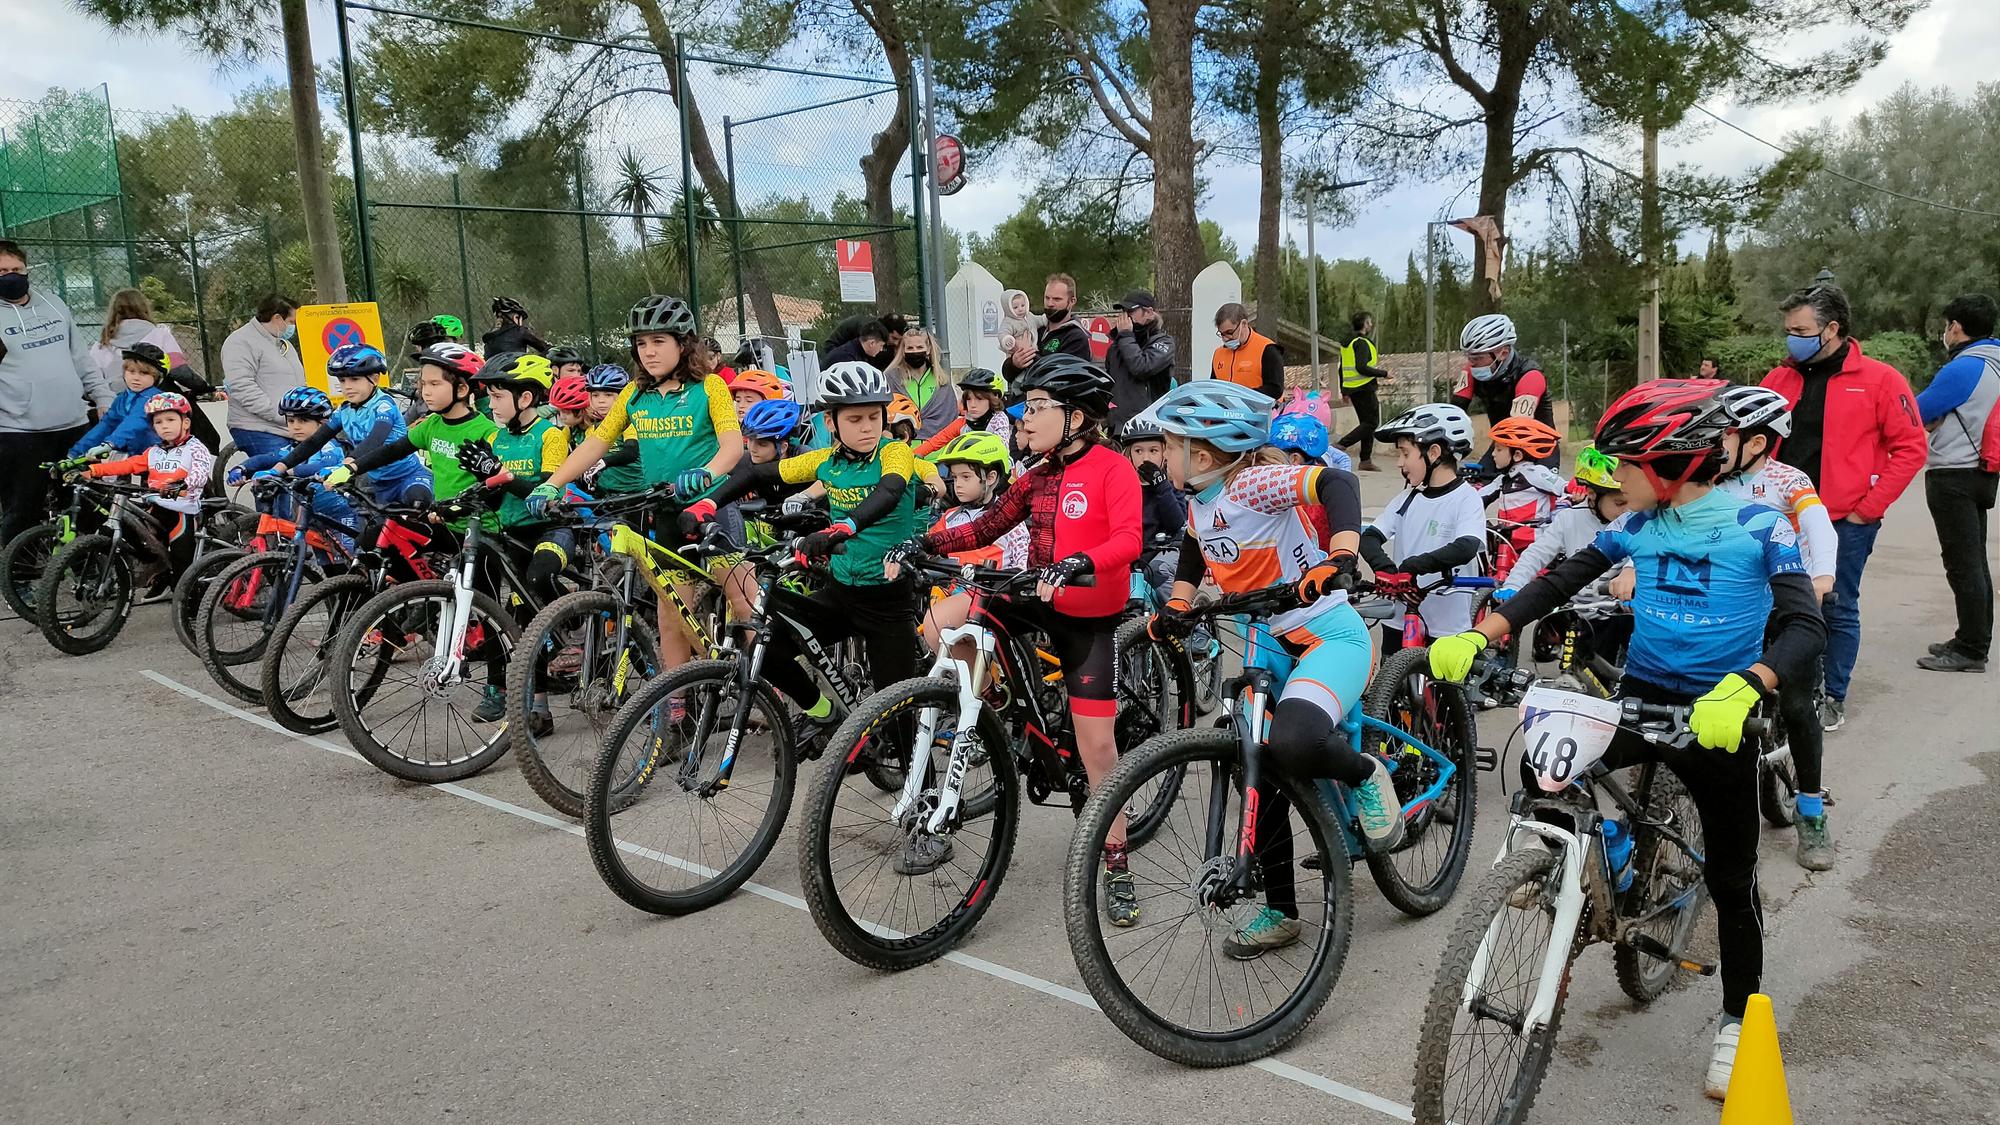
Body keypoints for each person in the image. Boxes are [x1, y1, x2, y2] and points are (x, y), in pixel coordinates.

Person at [1426, 378, 1825, 1101]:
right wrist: (1483, 632)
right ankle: (1572, 873)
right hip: (1641, 702)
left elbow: (1806, 625)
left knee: (1734, 881)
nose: (1616, 477)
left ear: (1672, 464)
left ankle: (1738, 1018)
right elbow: (1558, 578)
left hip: (1716, 719)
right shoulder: (1638, 525)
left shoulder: (1761, 526)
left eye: (1628, 464)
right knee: (1547, 775)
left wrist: (1750, 684)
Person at [1142, 378, 1402, 958]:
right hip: (1267, 639)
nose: (1160, 452)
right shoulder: (1199, 502)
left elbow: (1337, 481)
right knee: (1258, 766)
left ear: (1203, 455)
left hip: (1327, 633)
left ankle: (1364, 775)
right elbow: (1193, 547)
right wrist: (1180, 602)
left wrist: (1340, 554)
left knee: (1293, 739)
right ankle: (1282, 911)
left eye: (1168, 442)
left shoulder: (1255, 483)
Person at [913, 354, 1142, 921]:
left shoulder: (1114, 469)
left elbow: (1129, 540)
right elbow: (987, 525)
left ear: (1078, 417)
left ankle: (1117, 863)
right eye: (1024, 408)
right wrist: (926, 547)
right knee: (948, 623)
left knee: (1097, 751)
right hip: (1034, 594)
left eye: (1038, 408)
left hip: (1087, 613)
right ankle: (989, 709)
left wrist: (1080, 561)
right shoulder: (1035, 477)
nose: (1025, 418)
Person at [681, 360, 923, 756]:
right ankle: (828, 716)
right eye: (856, 418)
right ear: (831, 422)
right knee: (767, 647)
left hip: (888, 597)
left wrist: (842, 528)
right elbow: (760, 474)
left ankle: (923, 792)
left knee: (899, 726)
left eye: (874, 417)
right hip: (842, 593)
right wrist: (709, 502)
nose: (868, 427)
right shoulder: (827, 461)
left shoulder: (894, 452)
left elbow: (890, 492)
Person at [529, 294, 743, 678]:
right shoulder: (634, 393)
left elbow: (732, 447)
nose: (649, 352)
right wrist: (553, 484)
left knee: (743, 602)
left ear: (684, 344)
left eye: (659, 342)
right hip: (663, 510)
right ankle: (677, 700)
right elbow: (596, 444)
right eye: (641, 344)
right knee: (670, 614)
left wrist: (707, 473)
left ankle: (771, 687)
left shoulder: (710, 388)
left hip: (711, 507)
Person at [1760, 284, 1925, 730]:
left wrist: (1867, 510)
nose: (1791, 338)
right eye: (1788, 330)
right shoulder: (1779, 379)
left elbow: (1911, 448)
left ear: (1832, 329)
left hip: (1844, 519)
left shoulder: (1881, 380)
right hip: (1776, 516)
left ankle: (1831, 694)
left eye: (1801, 330)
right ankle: (1776, 688)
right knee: (1770, 604)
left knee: (1835, 604)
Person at [1708, 383, 1839, 870]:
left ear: (1757, 442)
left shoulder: (1788, 481)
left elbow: (1820, 526)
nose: (1712, 443)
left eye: (1723, 434)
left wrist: (1821, 576)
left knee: (1800, 708)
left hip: (1786, 602)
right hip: (1730, 606)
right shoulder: (1710, 480)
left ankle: (1810, 811)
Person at [0, 242, 111, 543]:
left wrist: (102, 396)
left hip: (74, 424)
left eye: (15, 270)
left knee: (85, 500)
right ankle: (20, 575)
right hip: (20, 431)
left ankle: (86, 567)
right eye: (2, 272)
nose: (10, 276)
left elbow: (80, 357)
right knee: (23, 507)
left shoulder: (53, 304)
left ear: (26, 270)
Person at [1914, 292, 2000, 674]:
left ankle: (1970, 649)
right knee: (1975, 561)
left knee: (1963, 565)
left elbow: (1917, 412)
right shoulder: (1996, 362)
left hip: (1953, 472)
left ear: (1957, 328)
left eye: (1947, 326)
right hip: (1984, 471)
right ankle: (1971, 636)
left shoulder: (1963, 368)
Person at [1359, 403, 1485, 649]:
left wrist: (1413, 567)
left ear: (1434, 453)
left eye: (1405, 453)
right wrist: (1385, 568)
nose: (1399, 463)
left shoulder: (1466, 498)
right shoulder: (1406, 498)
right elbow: (1369, 538)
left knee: (1446, 686)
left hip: (1446, 626)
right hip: (1400, 620)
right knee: (1390, 682)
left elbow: (1466, 546)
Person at [83, 392, 214, 592]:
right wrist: (93, 471)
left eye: (170, 419)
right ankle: (160, 578)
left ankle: (190, 600)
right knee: (148, 551)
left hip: (182, 511)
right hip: (156, 508)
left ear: (185, 423)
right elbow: (128, 465)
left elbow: (200, 473)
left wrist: (182, 484)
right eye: (159, 422)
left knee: (181, 559)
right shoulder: (153, 452)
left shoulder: (195, 448)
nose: (165, 426)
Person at [276, 344, 433, 505]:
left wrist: (346, 466)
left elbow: (375, 441)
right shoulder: (344, 410)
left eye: (355, 379)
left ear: (375, 379)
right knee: (375, 530)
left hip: (408, 477)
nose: (347, 386)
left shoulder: (384, 405)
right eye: (342, 381)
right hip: (379, 484)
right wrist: (278, 468)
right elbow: (315, 441)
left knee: (418, 505)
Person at [226, 386, 358, 535]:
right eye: (291, 421)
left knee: (351, 554)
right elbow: (267, 459)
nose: (296, 426)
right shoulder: (294, 448)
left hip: (341, 514)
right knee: (316, 554)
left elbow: (325, 465)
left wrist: (286, 472)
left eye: (303, 420)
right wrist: (241, 469)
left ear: (323, 422)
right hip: (310, 513)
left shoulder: (330, 445)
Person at [1450, 313, 1559, 468]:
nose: (1472, 363)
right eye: (1469, 357)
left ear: (1503, 353)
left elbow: (1518, 428)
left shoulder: (1530, 376)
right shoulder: (1471, 370)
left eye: (1478, 357)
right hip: (1502, 444)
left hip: (1540, 450)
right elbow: (1454, 412)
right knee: (1476, 484)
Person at [1476, 417, 1567, 580]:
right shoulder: (1503, 479)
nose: (1493, 454)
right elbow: (1476, 499)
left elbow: (1564, 488)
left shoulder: (1535, 473)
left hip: (1534, 545)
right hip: (1507, 542)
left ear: (1517, 454)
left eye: (1498, 449)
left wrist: (1571, 497)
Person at [219, 293, 305, 461]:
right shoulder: (240, 342)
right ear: (277, 318)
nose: (293, 327)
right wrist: (281, 416)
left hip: (290, 425)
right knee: (284, 472)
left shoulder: (282, 344)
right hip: (257, 427)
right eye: (291, 322)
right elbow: (242, 387)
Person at [69, 342, 169, 459]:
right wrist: (77, 452)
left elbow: (135, 422)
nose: (136, 377)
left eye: (144, 373)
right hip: (130, 454)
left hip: (155, 456)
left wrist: (110, 443)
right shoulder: (122, 398)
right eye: (131, 372)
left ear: (157, 378)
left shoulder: (154, 398)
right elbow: (106, 425)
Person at [1104, 289, 1176, 437]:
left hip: (1147, 426)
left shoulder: (1163, 342)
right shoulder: (1118, 344)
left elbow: (1142, 367)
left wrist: (1125, 336)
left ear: (1149, 312)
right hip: (1117, 427)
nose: (1125, 316)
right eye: (1123, 311)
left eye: (1130, 311)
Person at [90, 288, 185, 393]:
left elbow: (92, 380)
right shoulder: (161, 335)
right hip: (156, 401)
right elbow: (179, 371)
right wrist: (201, 387)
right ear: (144, 308)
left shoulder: (101, 345)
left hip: (115, 400)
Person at [1001, 274, 1092, 378]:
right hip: (1023, 393)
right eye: (1047, 298)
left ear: (1072, 302)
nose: (1050, 303)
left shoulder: (1076, 337)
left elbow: (1065, 378)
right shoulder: (1035, 327)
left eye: (1057, 299)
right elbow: (1007, 375)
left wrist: (1029, 354)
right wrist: (1014, 364)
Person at [1336, 311, 1392, 470]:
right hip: (1364, 387)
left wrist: (1344, 390)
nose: (1371, 325)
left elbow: (1342, 369)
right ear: (1364, 324)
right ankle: (1341, 444)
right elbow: (1361, 367)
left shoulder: (1348, 344)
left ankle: (1365, 460)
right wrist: (1384, 373)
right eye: (1369, 322)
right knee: (1372, 422)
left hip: (1353, 389)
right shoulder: (1361, 343)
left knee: (1366, 423)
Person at [580, 363, 646, 496]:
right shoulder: (592, 429)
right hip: (606, 493)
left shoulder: (629, 424)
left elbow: (631, 452)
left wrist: (604, 462)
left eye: (608, 395)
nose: (601, 401)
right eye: (596, 395)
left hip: (635, 492)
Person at [887, 328, 958, 441]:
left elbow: (951, 418)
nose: (915, 351)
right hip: (902, 449)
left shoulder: (942, 381)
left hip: (937, 450)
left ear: (928, 349)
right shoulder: (891, 379)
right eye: (910, 348)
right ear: (903, 350)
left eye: (919, 347)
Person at [1209, 302, 1284, 401]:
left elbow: (1275, 389)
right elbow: (1213, 388)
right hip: (1226, 413)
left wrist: (1241, 397)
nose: (1226, 339)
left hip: (1262, 413)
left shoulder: (1267, 349)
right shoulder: (1218, 354)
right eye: (1222, 334)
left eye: (1229, 333)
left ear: (1244, 324)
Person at [482, 296, 549, 357]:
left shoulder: (489, 339)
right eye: (521, 319)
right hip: (516, 369)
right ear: (515, 317)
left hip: (492, 370)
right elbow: (544, 347)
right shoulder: (520, 331)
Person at [821, 319, 892, 369]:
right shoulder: (848, 360)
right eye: (881, 345)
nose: (881, 349)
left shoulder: (854, 350)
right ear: (872, 343)